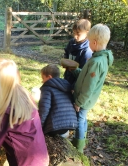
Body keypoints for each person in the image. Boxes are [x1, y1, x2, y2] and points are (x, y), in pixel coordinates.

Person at [69, 24, 114, 152]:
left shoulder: (96, 62)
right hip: (88, 98)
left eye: (89, 41)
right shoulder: (100, 58)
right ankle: (81, 139)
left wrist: (79, 102)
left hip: (85, 99)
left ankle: (78, 147)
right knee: (83, 119)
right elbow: (86, 75)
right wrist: (75, 70)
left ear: (94, 42)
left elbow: (89, 86)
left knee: (79, 120)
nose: (88, 44)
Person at [38, 64, 77, 138]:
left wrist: (39, 126)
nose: (42, 81)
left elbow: (44, 109)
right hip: (69, 124)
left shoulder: (47, 88)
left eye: (43, 78)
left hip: (55, 126)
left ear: (49, 77)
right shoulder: (66, 85)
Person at [63, 19, 93, 86]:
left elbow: (83, 72)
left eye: (78, 34)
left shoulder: (87, 50)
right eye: (74, 33)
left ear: (87, 33)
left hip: (77, 82)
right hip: (67, 77)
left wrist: (74, 87)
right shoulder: (71, 42)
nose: (75, 36)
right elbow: (66, 53)